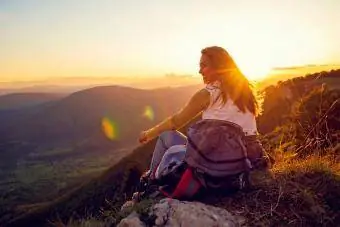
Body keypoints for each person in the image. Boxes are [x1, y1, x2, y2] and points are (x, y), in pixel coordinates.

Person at [122, 46, 271, 208]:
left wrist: (148, 133)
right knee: (178, 141)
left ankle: (149, 186)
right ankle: (151, 181)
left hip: (219, 160)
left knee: (166, 137)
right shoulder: (245, 92)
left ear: (219, 67)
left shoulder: (208, 93)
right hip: (248, 158)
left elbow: (175, 122)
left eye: (204, 65)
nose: (200, 71)